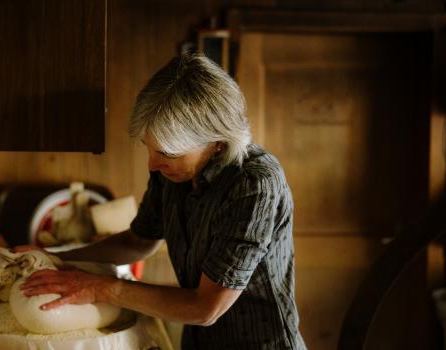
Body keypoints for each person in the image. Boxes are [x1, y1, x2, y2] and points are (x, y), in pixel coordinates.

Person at [19, 53, 306, 349]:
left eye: (168, 153)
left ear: (217, 141)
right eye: (149, 148)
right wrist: (56, 256)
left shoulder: (254, 184)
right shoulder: (172, 174)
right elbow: (137, 242)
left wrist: (100, 288)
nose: (152, 165)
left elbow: (205, 308)